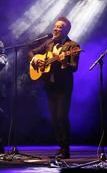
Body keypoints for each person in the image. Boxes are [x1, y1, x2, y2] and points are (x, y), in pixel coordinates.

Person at [28, 17, 80, 159]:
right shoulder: (49, 43)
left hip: (63, 88)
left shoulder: (73, 46)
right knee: (54, 118)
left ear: (66, 30)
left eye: (59, 27)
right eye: (55, 26)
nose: (55, 29)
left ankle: (65, 149)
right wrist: (35, 59)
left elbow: (74, 68)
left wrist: (64, 63)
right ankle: (60, 147)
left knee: (62, 117)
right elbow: (31, 52)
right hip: (50, 87)